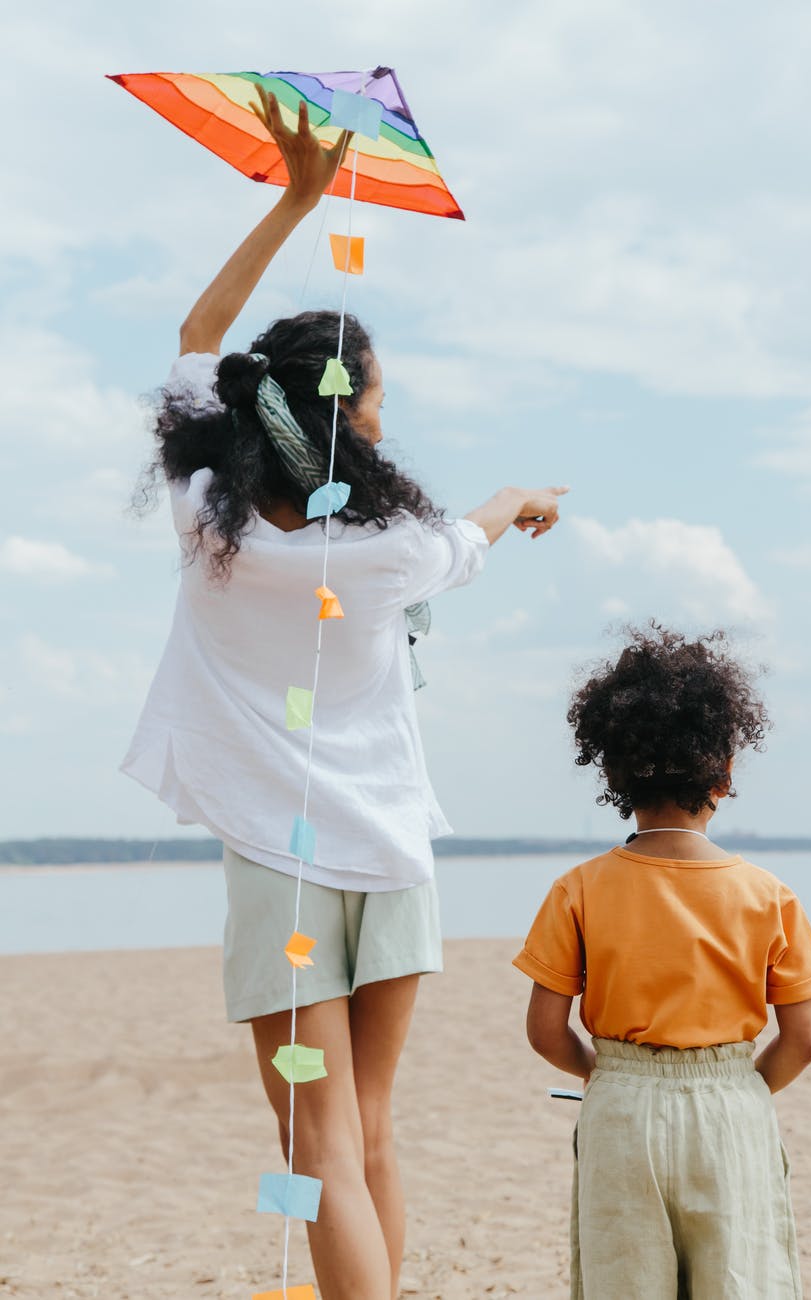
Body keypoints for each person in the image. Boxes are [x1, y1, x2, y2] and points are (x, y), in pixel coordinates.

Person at [123, 88, 567, 1300]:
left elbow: (199, 325)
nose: (386, 412)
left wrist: (298, 199)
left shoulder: (205, 520)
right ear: (350, 416)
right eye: (377, 394)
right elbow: (474, 531)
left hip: (284, 868)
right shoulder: (395, 546)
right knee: (361, 1135)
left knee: (311, 1147)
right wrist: (520, 497)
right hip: (396, 855)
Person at [512, 624, 811, 1299]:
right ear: (723, 776)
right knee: (741, 1279)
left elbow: (545, 1031)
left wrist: (607, 1074)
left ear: (613, 775)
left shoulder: (577, 888)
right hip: (729, 1107)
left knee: (623, 1281)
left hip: (621, 1106)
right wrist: (740, 1091)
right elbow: (801, 1041)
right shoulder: (767, 895)